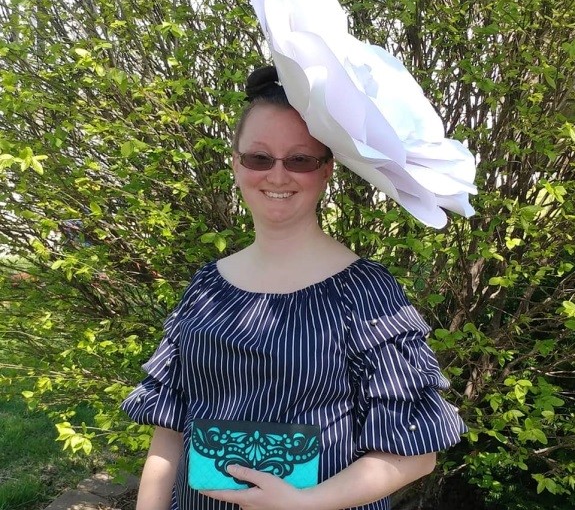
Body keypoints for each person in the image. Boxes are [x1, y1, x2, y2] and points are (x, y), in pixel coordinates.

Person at [121, 66, 466, 510]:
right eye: (259, 158)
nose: (277, 176)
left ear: (326, 171)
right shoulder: (207, 286)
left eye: (300, 159)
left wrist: (305, 502)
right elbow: (168, 433)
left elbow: (415, 456)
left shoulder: (365, 293)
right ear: (237, 164)